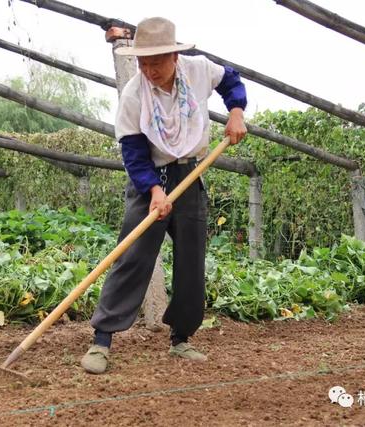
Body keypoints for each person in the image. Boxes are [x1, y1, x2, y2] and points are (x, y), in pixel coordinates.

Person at [81, 17, 247, 374]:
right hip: (150, 178)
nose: (149, 70)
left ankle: (181, 339)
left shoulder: (199, 70)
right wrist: (155, 191)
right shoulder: (134, 94)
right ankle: (101, 340)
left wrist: (235, 112)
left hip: (191, 172)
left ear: (174, 56)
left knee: (191, 259)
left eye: (156, 62)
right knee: (133, 254)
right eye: (143, 62)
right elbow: (133, 152)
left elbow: (231, 80)